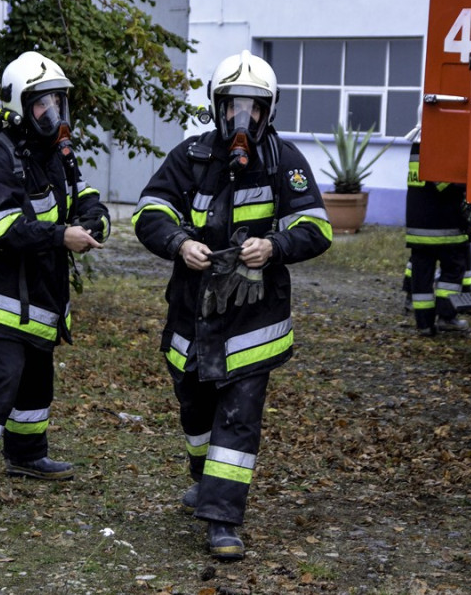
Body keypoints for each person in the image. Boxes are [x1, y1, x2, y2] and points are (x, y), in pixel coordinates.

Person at [132, 50, 332, 560]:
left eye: (255, 107)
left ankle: (223, 519)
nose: (243, 118)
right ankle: (205, 479)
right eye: (234, 105)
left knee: (239, 414)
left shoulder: (285, 161)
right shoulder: (191, 156)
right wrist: (179, 242)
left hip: (252, 318)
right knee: (195, 408)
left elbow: (317, 226)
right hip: (193, 312)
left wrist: (275, 247)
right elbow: (150, 209)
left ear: (269, 110)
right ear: (217, 106)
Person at [0, 51, 110, 510]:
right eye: (44, 103)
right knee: (2, 380)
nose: (54, 112)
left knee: (38, 383)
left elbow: (85, 196)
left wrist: (94, 221)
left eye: (59, 101)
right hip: (3, 299)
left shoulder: (55, 153)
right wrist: (63, 235)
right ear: (22, 105)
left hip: (42, 299)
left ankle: (26, 457)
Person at [404, 136, 471, 336]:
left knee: (422, 276)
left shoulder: (418, 147)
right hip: (444, 225)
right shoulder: (439, 144)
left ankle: (424, 324)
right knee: (452, 272)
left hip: (419, 226)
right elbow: (444, 183)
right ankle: (447, 317)